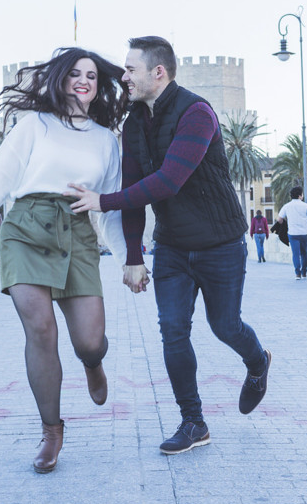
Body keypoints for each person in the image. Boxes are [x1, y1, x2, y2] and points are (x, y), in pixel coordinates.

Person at [66, 36, 271, 456]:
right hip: (174, 248)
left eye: (131, 70)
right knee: (173, 331)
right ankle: (193, 422)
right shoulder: (136, 123)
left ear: (158, 73)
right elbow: (135, 191)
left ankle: (258, 362)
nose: (124, 77)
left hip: (220, 244)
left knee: (224, 326)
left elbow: (167, 182)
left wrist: (101, 202)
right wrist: (135, 258)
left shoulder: (197, 114)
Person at [0, 46, 128, 474]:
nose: (84, 81)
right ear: (62, 79)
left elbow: (112, 208)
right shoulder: (34, 126)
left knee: (87, 339)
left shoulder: (105, 140)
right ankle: (51, 431)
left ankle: (93, 362)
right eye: (75, 74)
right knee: (41, 330)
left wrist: (127, 259)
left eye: (92, 76)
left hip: (78, 234)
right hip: (25, 230)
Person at [276, 186, 307, 280]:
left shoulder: (286, 206)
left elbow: (279, 219)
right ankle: (304, 272)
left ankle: (297, 274)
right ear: (300, 195)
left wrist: (285, 224)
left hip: (292, 233)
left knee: (295, 254)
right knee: (304, 253)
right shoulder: (306, 206)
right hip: (304, 233)